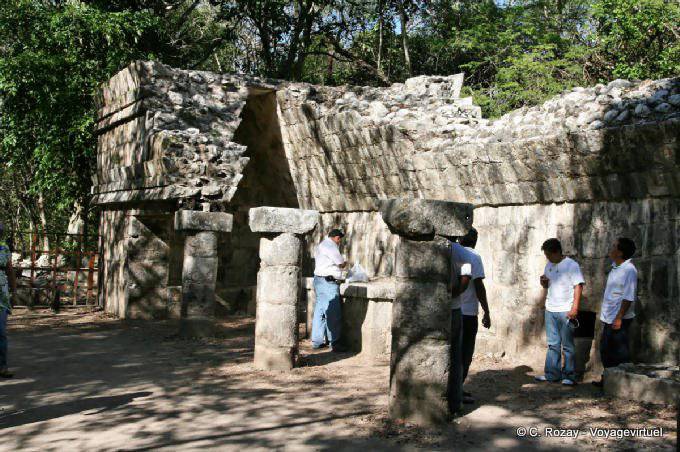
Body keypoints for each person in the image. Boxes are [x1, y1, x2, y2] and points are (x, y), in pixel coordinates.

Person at [535, 238, 585, 386]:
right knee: (552, 343)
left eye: (549, 254)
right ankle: (552, 374)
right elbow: (547, 285)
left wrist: (575, 308)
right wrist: (543, 283)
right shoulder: (549, 264)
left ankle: (569, 375)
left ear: (557, 252)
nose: (547, 258)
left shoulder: (571, 265)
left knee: (568, 345)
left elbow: (578, 286)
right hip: (550, 309)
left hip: (565, 310)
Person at [593, 238, 638, 387]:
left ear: (620, 252)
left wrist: (619, 317)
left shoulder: (629, 270)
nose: (611, 249)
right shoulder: (615, 267)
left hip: (620, 318)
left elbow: (628, 296)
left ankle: (622, 384)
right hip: (609, 316)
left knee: (620, 352)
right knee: (606, 349)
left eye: (614, 247)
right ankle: (608, 379)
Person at [457, 229, 491, 404]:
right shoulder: (474, 256)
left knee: (455, 352)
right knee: (465, 353)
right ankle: (457, 390)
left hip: (452, 310)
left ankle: (456, 388)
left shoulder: (453, 252)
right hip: (468, 312)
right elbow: (479, 285)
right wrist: (487, 310)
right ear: (475, 240)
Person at [448, 231, 474, 414]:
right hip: (454, 308)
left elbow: (466, 279)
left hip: (452, 308)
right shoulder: (461, 252)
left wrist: (452, 293)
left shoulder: (458, 251)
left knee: (455, 356)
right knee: (456, 356)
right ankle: (454, 401)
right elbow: (466, 277)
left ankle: (454, 400)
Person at [311, 229, 347, 352]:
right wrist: (345, 263)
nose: (339, 242)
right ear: (337, 238)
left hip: (318, 280)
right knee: (333, 313)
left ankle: (317, 341)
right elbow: (340, 263)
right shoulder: (331, 246)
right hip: (328, 282)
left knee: (320, 312)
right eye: (339, 239)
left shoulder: (321, 245)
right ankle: (335, 342)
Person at [0, 223, 14, 378]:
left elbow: (10, 271)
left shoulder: (4, 248)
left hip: (1, 296)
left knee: (1, 332)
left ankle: (2, 366)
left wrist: (14, 291)